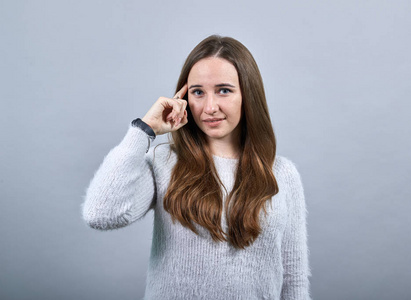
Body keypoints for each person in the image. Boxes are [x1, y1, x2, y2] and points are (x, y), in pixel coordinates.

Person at [82, 35, 311, 300]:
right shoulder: (165, 162)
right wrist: (144, 130)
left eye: (224, 90)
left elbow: (294, 281)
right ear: (183, 97)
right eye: (198, 92)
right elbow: (100, 213)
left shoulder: (282, 174)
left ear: (248, 95)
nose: (209, 107)